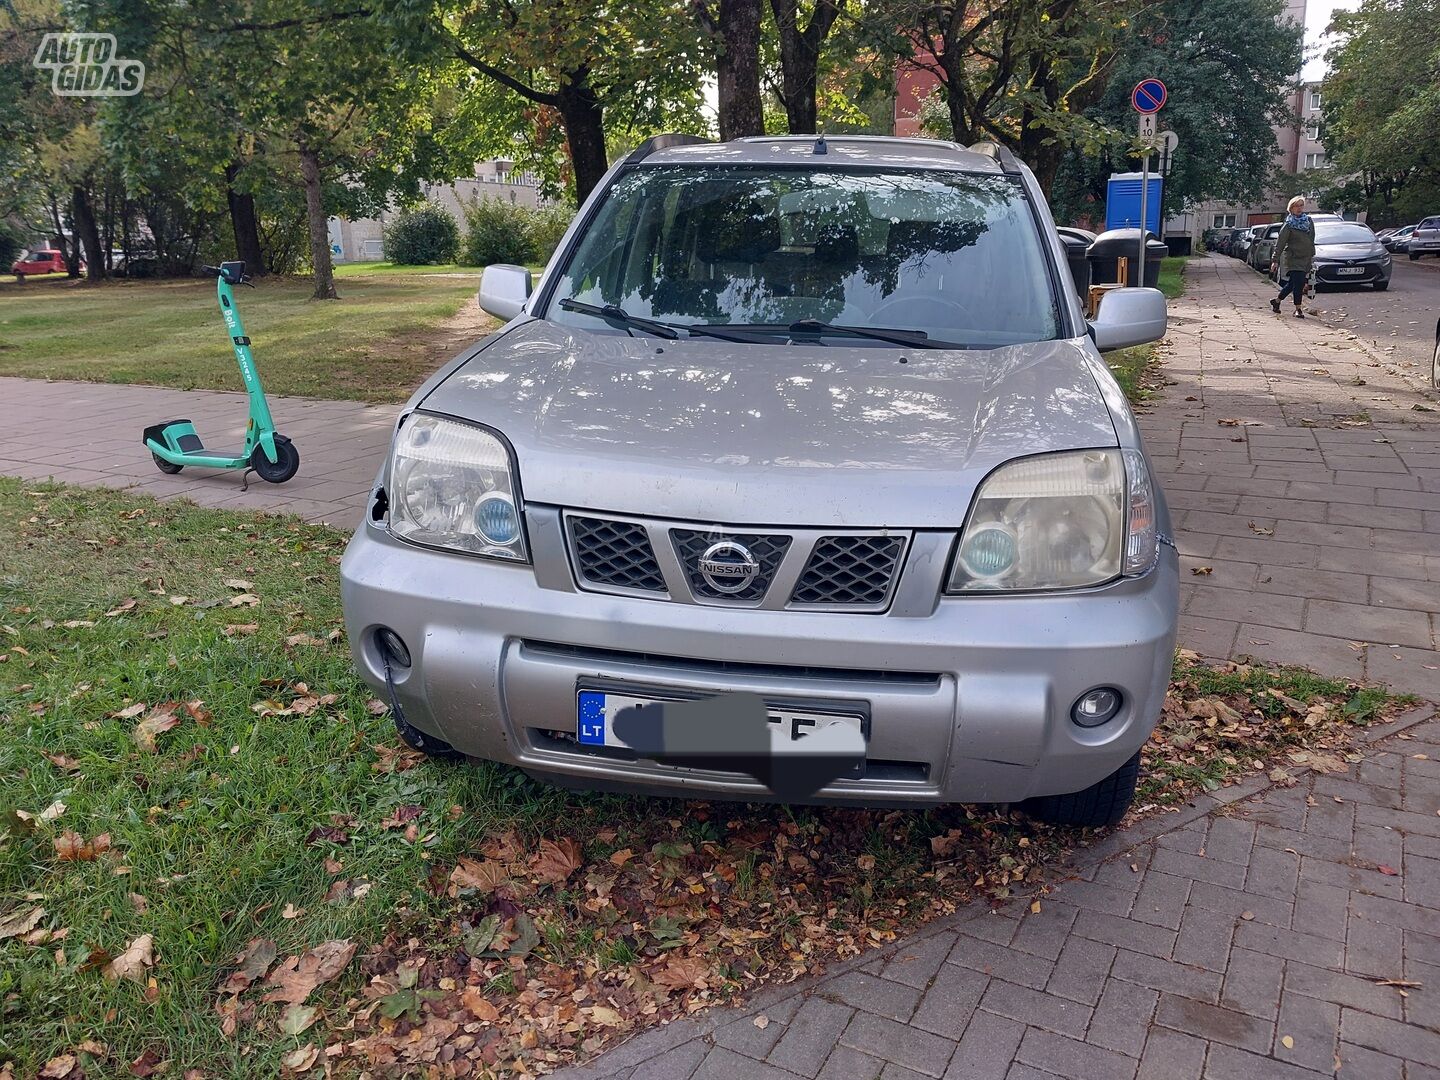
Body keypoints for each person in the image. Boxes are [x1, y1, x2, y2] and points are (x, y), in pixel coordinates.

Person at [1270, 196, 1315, 318]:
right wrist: (1275, 260)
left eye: (1301, 205)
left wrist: (1312, 254)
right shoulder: (1288, 224)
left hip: (1305, 257)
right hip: (1293, 257)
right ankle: (1298, 309)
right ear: (1291, 208)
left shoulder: (1308, 221)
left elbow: (1311, 239)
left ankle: (1277, 301)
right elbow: (1280, 243)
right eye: (1296, 206)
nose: (1299, 208)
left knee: (1292, 283)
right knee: (1299, 283)